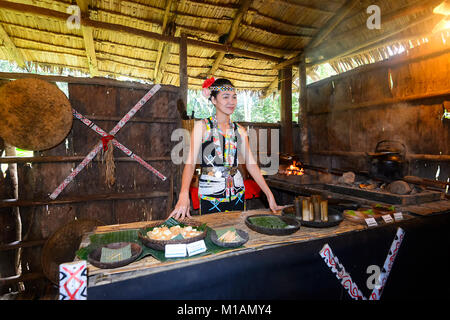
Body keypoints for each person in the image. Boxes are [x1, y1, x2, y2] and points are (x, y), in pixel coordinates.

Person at [169, 78, 283, 219]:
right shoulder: (202, 127)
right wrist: (183, 193)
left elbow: (251, 164)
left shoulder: (239, 130)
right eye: (225, 97)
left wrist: (269, 194)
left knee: (237, 235)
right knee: (212, 234)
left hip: (237, 194)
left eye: (234, 97)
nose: (231, 101)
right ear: (213, 100)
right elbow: (190, 163)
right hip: (210, 194)